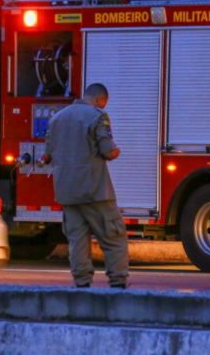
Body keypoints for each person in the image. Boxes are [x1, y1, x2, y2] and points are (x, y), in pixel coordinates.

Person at [45, 83, 129, 288]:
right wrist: (117, 151)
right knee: (114, 237)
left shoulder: (56, 118)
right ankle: (117, 285)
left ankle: (82, 285)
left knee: (78, 240)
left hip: (66, 191)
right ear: (101, 99)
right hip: (95, 190)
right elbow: (108, 151)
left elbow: (47, 156)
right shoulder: (98, 116)